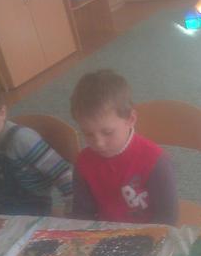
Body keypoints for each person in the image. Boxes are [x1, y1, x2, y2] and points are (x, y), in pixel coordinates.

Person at [70, 69, 178, 225]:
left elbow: (167, 218)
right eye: (88, 134)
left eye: (107, 132)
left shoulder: (156, 162)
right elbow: (82, 213)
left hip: (147, 233)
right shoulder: (83, 162)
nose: (98, 143)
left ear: (130, 119)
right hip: (103, 232)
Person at [0, 80, 73, 216]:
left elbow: (60, 172)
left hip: (33, 205)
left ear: (2, 113)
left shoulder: (22, 139)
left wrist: (72, 203)